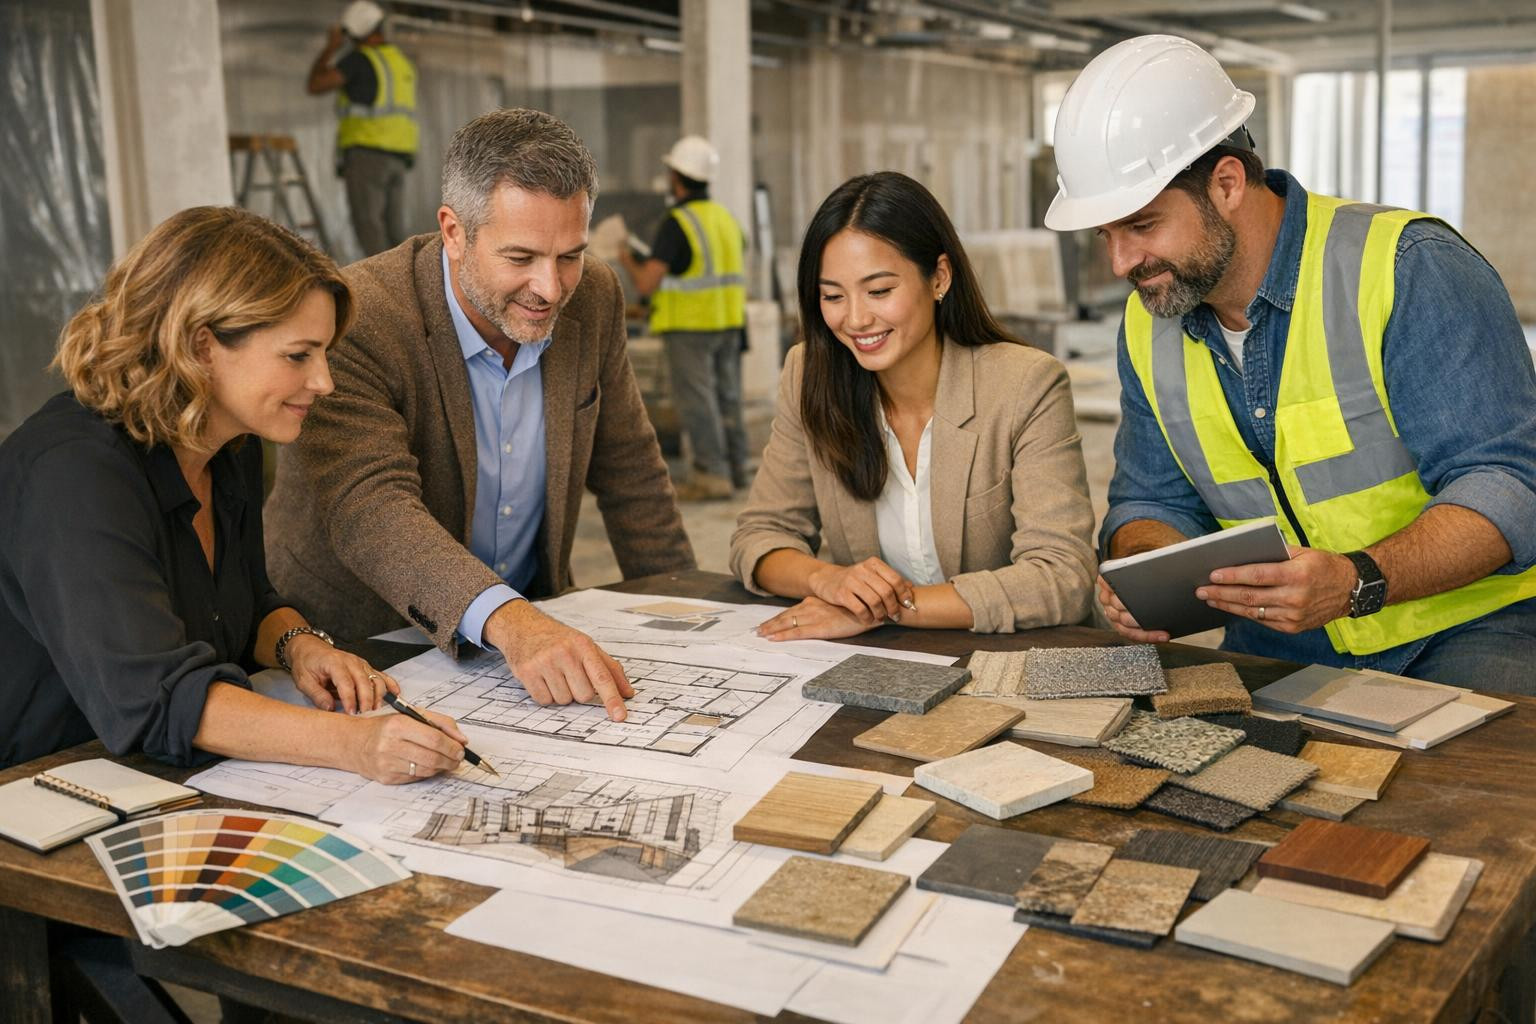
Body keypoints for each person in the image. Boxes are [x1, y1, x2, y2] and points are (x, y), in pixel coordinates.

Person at [1047, 35, 1536, 690]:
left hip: (1466, 630)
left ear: (1226, 183)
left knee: (1472, 759)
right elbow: (1151, 497)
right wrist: (1150, 570)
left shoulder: (1407, 267)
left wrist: (1357, 581)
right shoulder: (1148, 323)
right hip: (1278, 640)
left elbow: (1510, 482)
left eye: (1142, 225)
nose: (1120, 263)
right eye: (1104, 234)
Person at [0, 206, 466, 779]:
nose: (324, 381)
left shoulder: (229, 442)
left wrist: (301, 645)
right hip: (39, 784)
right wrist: (357, 744)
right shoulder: (73, 474)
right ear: (202, 347)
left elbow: (241, 604)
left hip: (150, 774)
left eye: (324, 353)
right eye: (298, 355)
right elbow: (159, 698)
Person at [265, 108, 696, 723]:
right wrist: (512, 621)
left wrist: (690, 614)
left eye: (569, 255)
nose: (550, 288)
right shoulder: (360, 317)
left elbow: (631, 471)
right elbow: (373, 508)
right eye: (520, 257)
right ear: (454, 231)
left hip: (522, 646)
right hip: (363, 648)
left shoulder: (595, 295)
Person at [730, 171, 1097, 640]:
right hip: (882, 660)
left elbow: (1062, 576)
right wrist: (827, 579)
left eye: (879, 291)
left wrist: (882, 610)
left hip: (1013, 658)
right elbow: (758, 537)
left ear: (939, 277)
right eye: (833, 296)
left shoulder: (1025, 384)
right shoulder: (810, 375)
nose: (856, 319)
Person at [620, 135, 751, 501]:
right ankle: (737, 469)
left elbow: (647, 283)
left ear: (676, 177)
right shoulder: (726, 219)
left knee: (698, 403)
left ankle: (711, 476)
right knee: (728, 398)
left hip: (690, 328)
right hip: (730, 321)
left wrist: (626, 258)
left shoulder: (677, 223)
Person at [307, 0, 419, 256]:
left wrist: (330, 47)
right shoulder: (400, 61)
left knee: (370, 230)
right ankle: (405, 280)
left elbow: (315, 84)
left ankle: (382, 282)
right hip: (399, 157)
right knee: (395, 233)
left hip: (368, 155)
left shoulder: (359, 60)